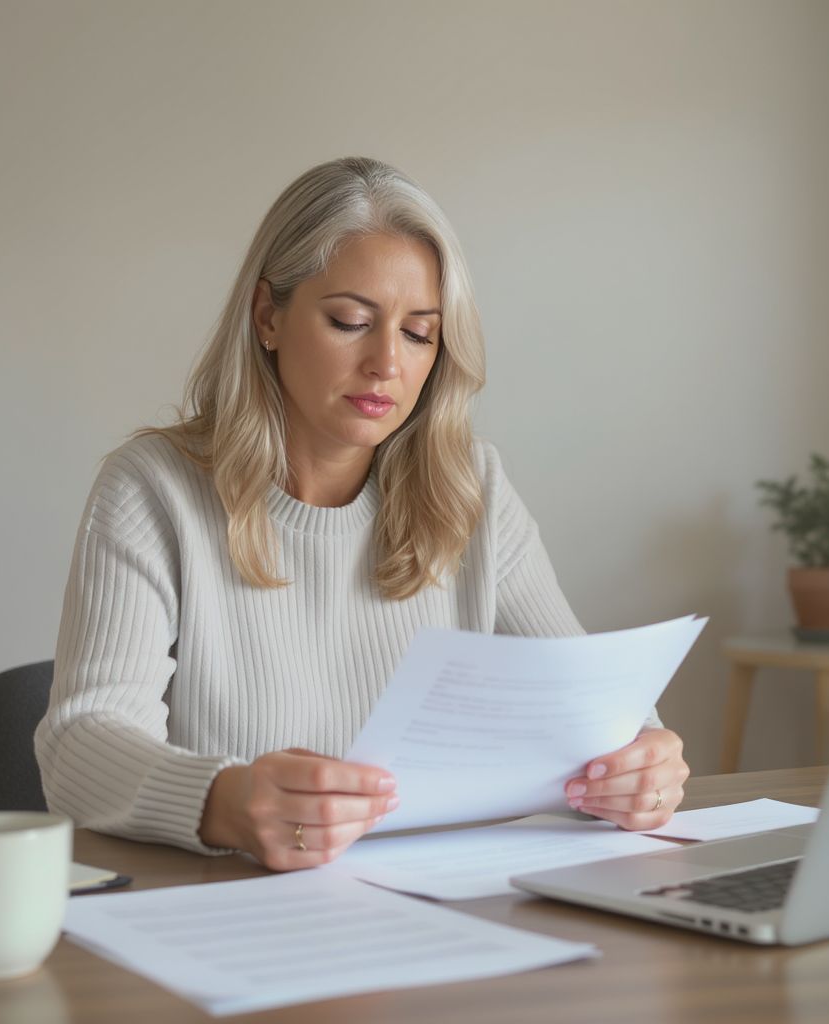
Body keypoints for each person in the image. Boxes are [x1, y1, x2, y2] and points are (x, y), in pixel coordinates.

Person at [35, 156, 689, 871]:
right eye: (351, 321)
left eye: (419, 333)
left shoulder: (471, 486)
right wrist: (227, 801)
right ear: (268, 316)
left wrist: (643, 766)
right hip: (236, 905)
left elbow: (598, 713)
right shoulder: (154, 488)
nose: (387, 363)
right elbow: (81, 745)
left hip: (441, 903)